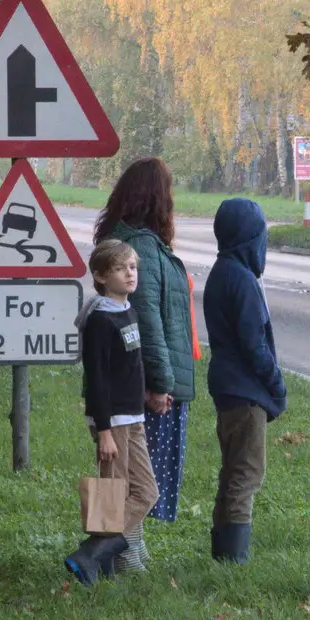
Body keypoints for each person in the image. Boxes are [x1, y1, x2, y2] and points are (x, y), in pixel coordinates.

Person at [94, 157, 196, 533]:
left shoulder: (130, 243)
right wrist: (161, 385)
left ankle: (122, 555)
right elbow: (148, 322)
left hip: (134, 385)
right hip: (145, 388)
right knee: (135, 486)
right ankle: (105, 552)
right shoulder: (141, 250)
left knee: (124, 483)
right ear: (156, 198)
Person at [64, 240, 161, 585]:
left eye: (132, 267)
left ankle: (92, 552)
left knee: (147, 492)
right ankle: (98, 565)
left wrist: (147, 394)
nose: (129, 273)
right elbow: (99, 380)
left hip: (133, 416)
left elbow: (131, 366)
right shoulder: (100, 320)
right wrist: (103, 431)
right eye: (120, 269)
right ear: (101, 276)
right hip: (112, 421)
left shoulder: (127, 310)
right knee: (112, 493)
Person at [202, 197, 287, 562]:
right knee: (246, 474)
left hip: (226, 386)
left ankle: (223, 552)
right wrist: (276, 384)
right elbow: (254, 344)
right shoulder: (242, 279)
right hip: (245, 389)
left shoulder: (222, 272)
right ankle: (234, 559)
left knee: (232, 470)